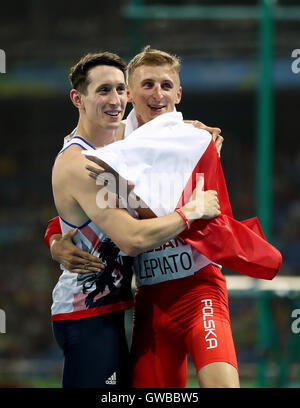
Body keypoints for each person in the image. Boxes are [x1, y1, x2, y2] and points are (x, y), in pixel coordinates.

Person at [49, 50, 221, 388]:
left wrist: (192, 133)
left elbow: (75, 217)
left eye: (119, 90)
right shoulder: (81, 162)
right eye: (103, 90)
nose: (115, 100)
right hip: (86, 314)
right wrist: (192, 211)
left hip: (114, 310)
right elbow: (131, 238)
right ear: (77, 98)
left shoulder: (123, 144)